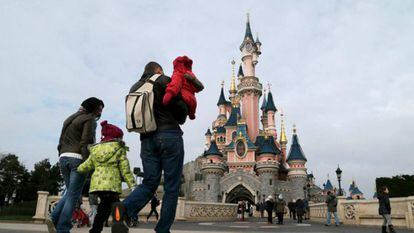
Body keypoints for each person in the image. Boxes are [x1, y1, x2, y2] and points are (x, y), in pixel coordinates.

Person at [112, 62, 188, 233]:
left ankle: (124, 209)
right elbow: (180, 110)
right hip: (169, 136)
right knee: (171, 187)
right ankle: (162, 230)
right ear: (158, 70)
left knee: (149, 182)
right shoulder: (163, 80)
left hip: (146, 140)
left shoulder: (135, 87)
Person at [46, 97, 104, 233]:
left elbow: (60, 140)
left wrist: (61, 154)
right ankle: (63, 227)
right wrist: (88, 162)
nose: (100, 112)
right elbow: (86, 142)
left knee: (71, 193)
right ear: (93, 108)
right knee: (73, 196)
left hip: (63, 157)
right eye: (99, 108)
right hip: (77, 159)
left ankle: (53, 217)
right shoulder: (88, 119)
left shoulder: (69, 118)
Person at [77, 120, 136, 233]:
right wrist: (132, 184)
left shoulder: (95, 150)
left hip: (98, 185)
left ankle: (95, 230)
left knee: (104, 208)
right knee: (115, 204)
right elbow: (125, 170)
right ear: (116, 137)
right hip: (112, 184)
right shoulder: (119, 148)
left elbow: (87, 165)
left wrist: (78, 169)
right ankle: (118, 224)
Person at [162, 56, 204, 120]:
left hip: (183, 97)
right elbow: (199, 87)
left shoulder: (178, 74)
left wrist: (169, 93)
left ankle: (190, 114)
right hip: (192, 100)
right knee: (192, 106)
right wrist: (193, 80)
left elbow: (175, 84)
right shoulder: (190, 75)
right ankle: (191, 114)